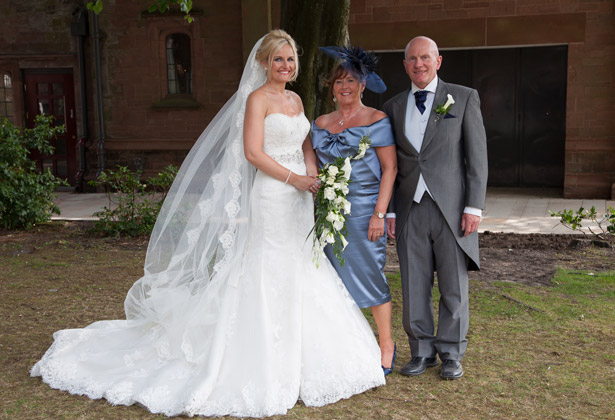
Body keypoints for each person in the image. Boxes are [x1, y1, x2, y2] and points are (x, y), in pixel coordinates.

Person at [31, 29, 385, 418]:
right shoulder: (257, 99)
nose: (285, 65)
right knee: (267, 265)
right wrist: (293, 178)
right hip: (272, 193)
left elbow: (305, 145)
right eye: (278, 59)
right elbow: (252, 152)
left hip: (301, 196)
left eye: (290, 59)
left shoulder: (297, 99)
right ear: (264, 63)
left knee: (302, 265)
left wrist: (312, 178)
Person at [383, 36, 488, 380]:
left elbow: (477, 159)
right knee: (414, 281)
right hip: (410, 207)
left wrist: (474, 206)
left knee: (453, 284)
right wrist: (392, 211)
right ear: (405, 65)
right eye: (412, 59)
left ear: (438, 61)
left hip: (452, 208)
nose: (419, 64)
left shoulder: (464, 97)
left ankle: (451, 352)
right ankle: (422, 351)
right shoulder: (394, 106)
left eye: (425, 57)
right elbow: (393, 164)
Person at [311, 46, 398, 375]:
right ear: (330, 87)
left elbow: (390, 169)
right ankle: (343, 346)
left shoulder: (376, 120)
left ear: (363, 85)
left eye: (351, 80)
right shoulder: (320, 123)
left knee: (370, 277)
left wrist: (379, 213)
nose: (344, 86)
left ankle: (386, 343)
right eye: (338, 81)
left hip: (364, 213)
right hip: (328, 215)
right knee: (331, 281)